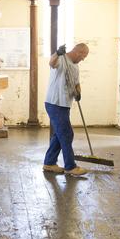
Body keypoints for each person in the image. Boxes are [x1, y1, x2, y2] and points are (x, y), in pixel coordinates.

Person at [43, 43, 89, 176]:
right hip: (55, 103)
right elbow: (51, 63)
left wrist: (78, 92)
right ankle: (70, 166)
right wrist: (57, 53)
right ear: (77, 52)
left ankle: (49, 163)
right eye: (83, 56)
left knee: (59, 134)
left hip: (65, 104)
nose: (83, 59)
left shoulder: (75, 66)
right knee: (67, 134)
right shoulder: (61, 60)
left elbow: (76, 83)